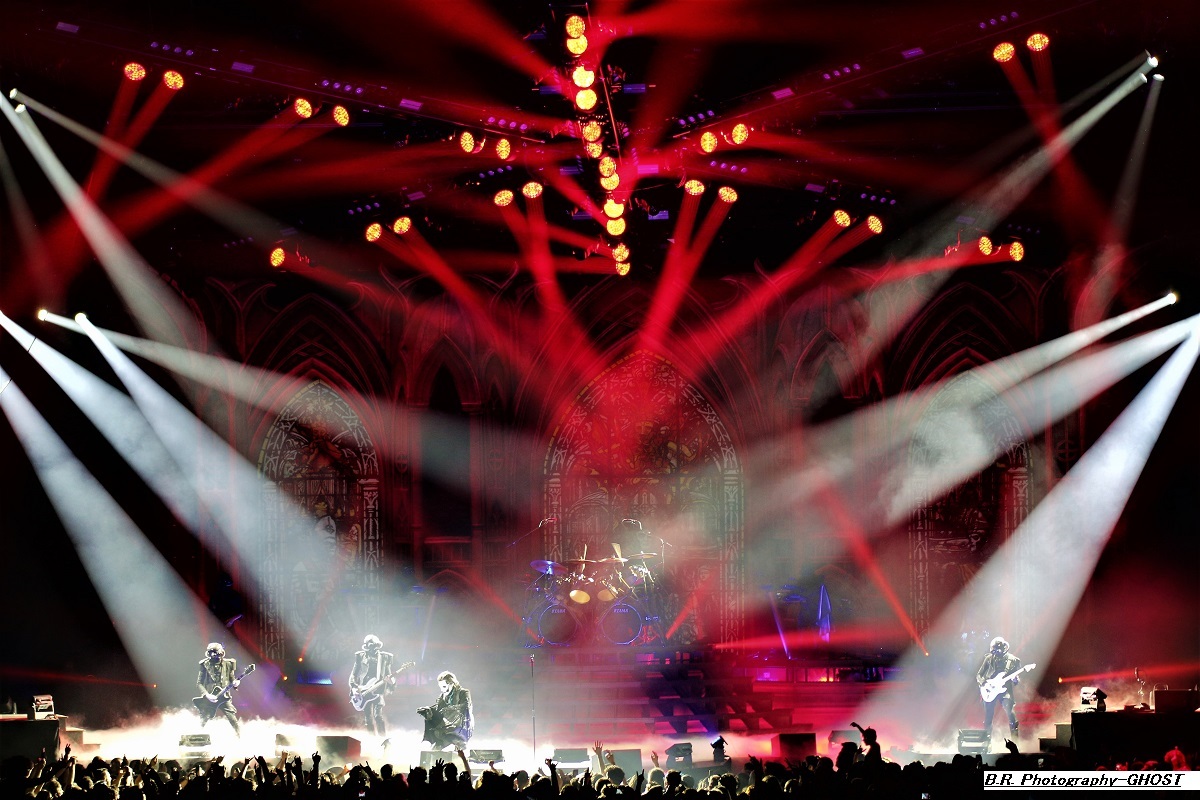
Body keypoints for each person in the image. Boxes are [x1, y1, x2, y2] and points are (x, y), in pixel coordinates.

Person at [348, 635, 395, 737]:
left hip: (378, 690)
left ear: (377, 645)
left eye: (373, 646)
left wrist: (391, 682)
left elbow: (389, 674)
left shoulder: (384, 657)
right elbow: (353, 674)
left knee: (378, 716)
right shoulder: (360, 656)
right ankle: (372, 739)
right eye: (370, 646)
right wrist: (355, 688)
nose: (372, 648)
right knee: (368, 719)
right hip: (364, 691)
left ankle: (383, 739)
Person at [976, 636, 1021, 741]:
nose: (995, 652)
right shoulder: (989, 658)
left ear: (1003, 648)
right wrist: (983, 683)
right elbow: (979, 675)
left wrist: (1015, 679)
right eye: (994, 650)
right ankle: (986, 742)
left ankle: (1015, 741)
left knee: (1010, 712)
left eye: (997, 650)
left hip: (1004, 690)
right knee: (988, 716)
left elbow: (1016, 680)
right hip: (990, 689)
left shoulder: (1013, 660)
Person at [194, 642, 241, 736]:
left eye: (215, 652)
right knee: (203, 720)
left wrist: (236, 683)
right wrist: (207, 695)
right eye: (211, 652)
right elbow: (199, 683)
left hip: (224, 697)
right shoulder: (204, 664)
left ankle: (239, 737)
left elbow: (232, 679)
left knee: (232, 719)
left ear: (220, 652)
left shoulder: (228, 664)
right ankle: (196, 738)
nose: (213, 655)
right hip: (210, 697)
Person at [417, 671, 472, 750]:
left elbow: (466, 705)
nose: (442, 690)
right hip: (446, 727)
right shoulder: (443, 696)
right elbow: (437, 708)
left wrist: (451, 708)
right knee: (435, 750)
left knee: (458, 748)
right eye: (440, 687)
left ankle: (459, 743)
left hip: (461, 727)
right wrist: (428, 710)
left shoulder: (463, 692)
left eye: (444, 686)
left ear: (452, 683)